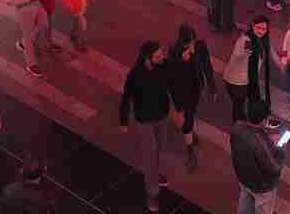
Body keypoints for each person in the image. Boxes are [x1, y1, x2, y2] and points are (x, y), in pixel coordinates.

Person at [119, 41, 175, 213]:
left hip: (162, 117)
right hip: (145, 121)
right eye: (158, 55)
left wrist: (178, 108)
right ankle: (152, 194)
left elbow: (172, 85)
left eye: (162, 53)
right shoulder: (135, 75)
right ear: (148, 58)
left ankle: (157, 175)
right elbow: (126, 97)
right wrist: (123, 120)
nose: (162, 56)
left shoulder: (164, 66)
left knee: (161, 149)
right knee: (150, 156)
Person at [169, 24, 216, 169]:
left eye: (192, 43)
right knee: (187, 121)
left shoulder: (201, 46)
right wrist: (181, 61)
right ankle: (190, 151)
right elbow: (172, 78)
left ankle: (190, 135)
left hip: (197, 88)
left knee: (192, 113)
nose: (191, 47)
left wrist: (212, 87)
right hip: (183, 93)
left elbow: (207, 66)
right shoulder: (175, 52)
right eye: (187, 44)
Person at [231, 99, 287, 214]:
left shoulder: (236, 128)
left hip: (243, 177)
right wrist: (281, 150)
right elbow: (274, 167)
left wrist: (264, 134)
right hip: (261, 185)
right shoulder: (260, 142)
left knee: (245, 203)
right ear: (263, 120)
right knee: (263, 209)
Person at [224, 15, 281, 126]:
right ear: (252, 26)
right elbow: (236, 56)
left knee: (254, 100)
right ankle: (240, 126)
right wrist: (244, 54)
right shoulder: (245, 40)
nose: (261, 31)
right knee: (239, 105)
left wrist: (282, 65)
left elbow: (271, 51)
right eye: (258, 27)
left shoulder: (263, 40)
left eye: (264, 29)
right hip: (235, 81)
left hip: (249, 79)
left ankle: (258, 120)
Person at [9, 0, 50, 78]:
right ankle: (31, 64)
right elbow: (10, 0)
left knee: (44, 24)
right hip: (25, 9)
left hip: (36, 2)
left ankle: (23, 43)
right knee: (28, 37)